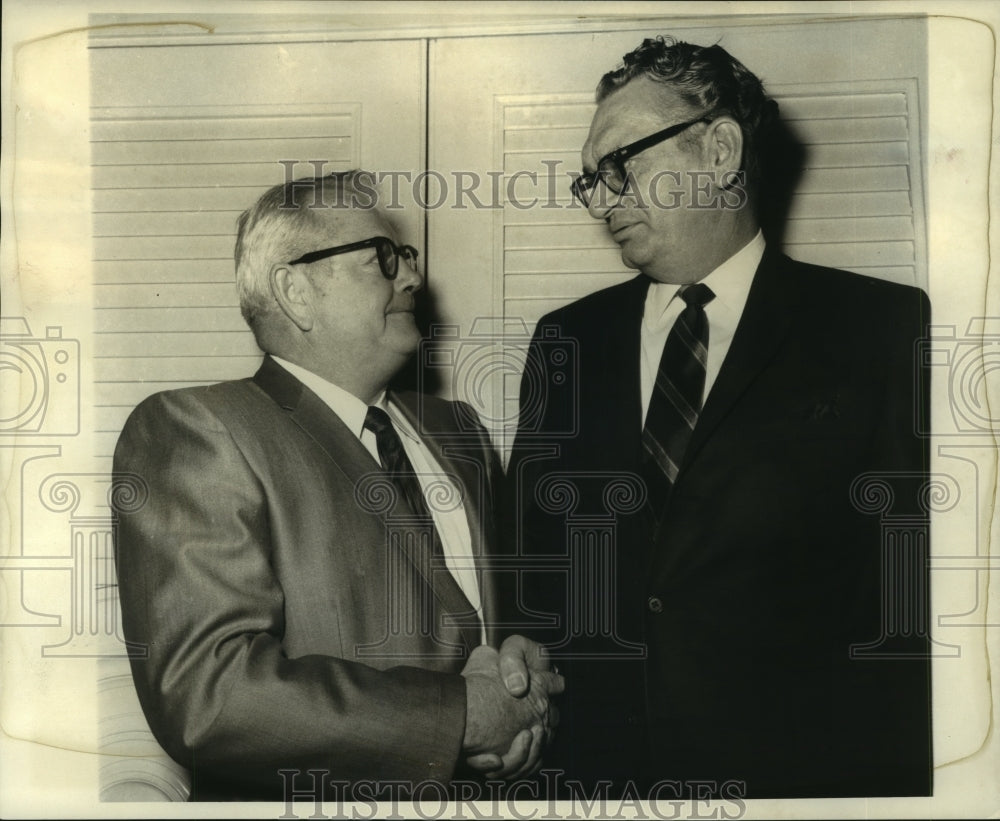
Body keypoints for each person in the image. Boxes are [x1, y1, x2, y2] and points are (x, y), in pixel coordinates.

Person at [506, 36, 931, 799]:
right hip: (598, 782)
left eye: (618, 165)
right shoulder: (565, 340)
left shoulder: (882, 329)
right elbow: (528, 566)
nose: (602, 199)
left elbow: (910, 597)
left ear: (721, 150)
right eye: (589, 181)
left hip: (806, 783)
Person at [113, 171, 563, 802]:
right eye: (383, 258)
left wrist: (525, 679)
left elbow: (496, 620)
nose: (412, 277)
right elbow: (207, 696)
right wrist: (458, 716)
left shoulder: (458, 431)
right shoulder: (198, 430)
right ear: (295, 290)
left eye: (404, 256)